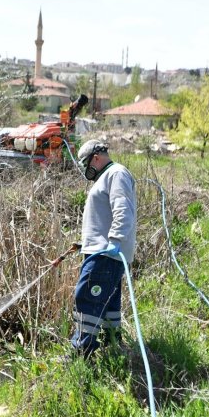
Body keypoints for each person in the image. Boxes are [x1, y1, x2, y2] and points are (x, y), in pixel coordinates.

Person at [71, 139, 137, 357]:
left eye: (85, 164)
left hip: (107, 254)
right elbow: (103, 218)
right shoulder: (105, 178)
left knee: (86, 297)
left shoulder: (116, 174)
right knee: (108, 303)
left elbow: (122, 209)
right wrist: (86, 243)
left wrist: (115, 241)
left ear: (96, 158)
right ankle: (114, 347)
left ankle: (82, 352)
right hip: (101, 250)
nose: (85, 170)